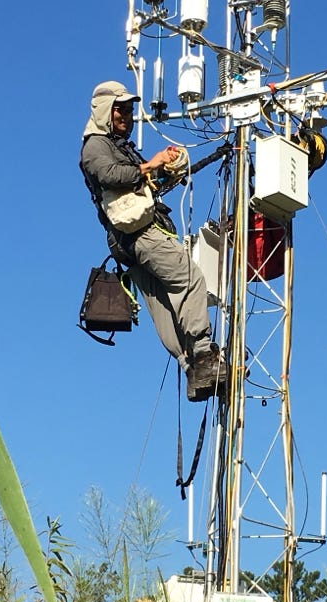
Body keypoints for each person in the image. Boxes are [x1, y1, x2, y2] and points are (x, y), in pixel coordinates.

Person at [80, 81, 226, 401]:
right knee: (189, 279)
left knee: (164, 306)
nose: (127, 116)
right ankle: (203, 355)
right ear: (104, 110)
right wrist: (150, 165)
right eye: (121, 109)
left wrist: (164, 171)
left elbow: (135, 182)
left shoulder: (118, 146)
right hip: (141, 233)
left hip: (127, 243)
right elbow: (108, 175)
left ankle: (192, 369)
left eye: (130, 110)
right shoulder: (95, 145)